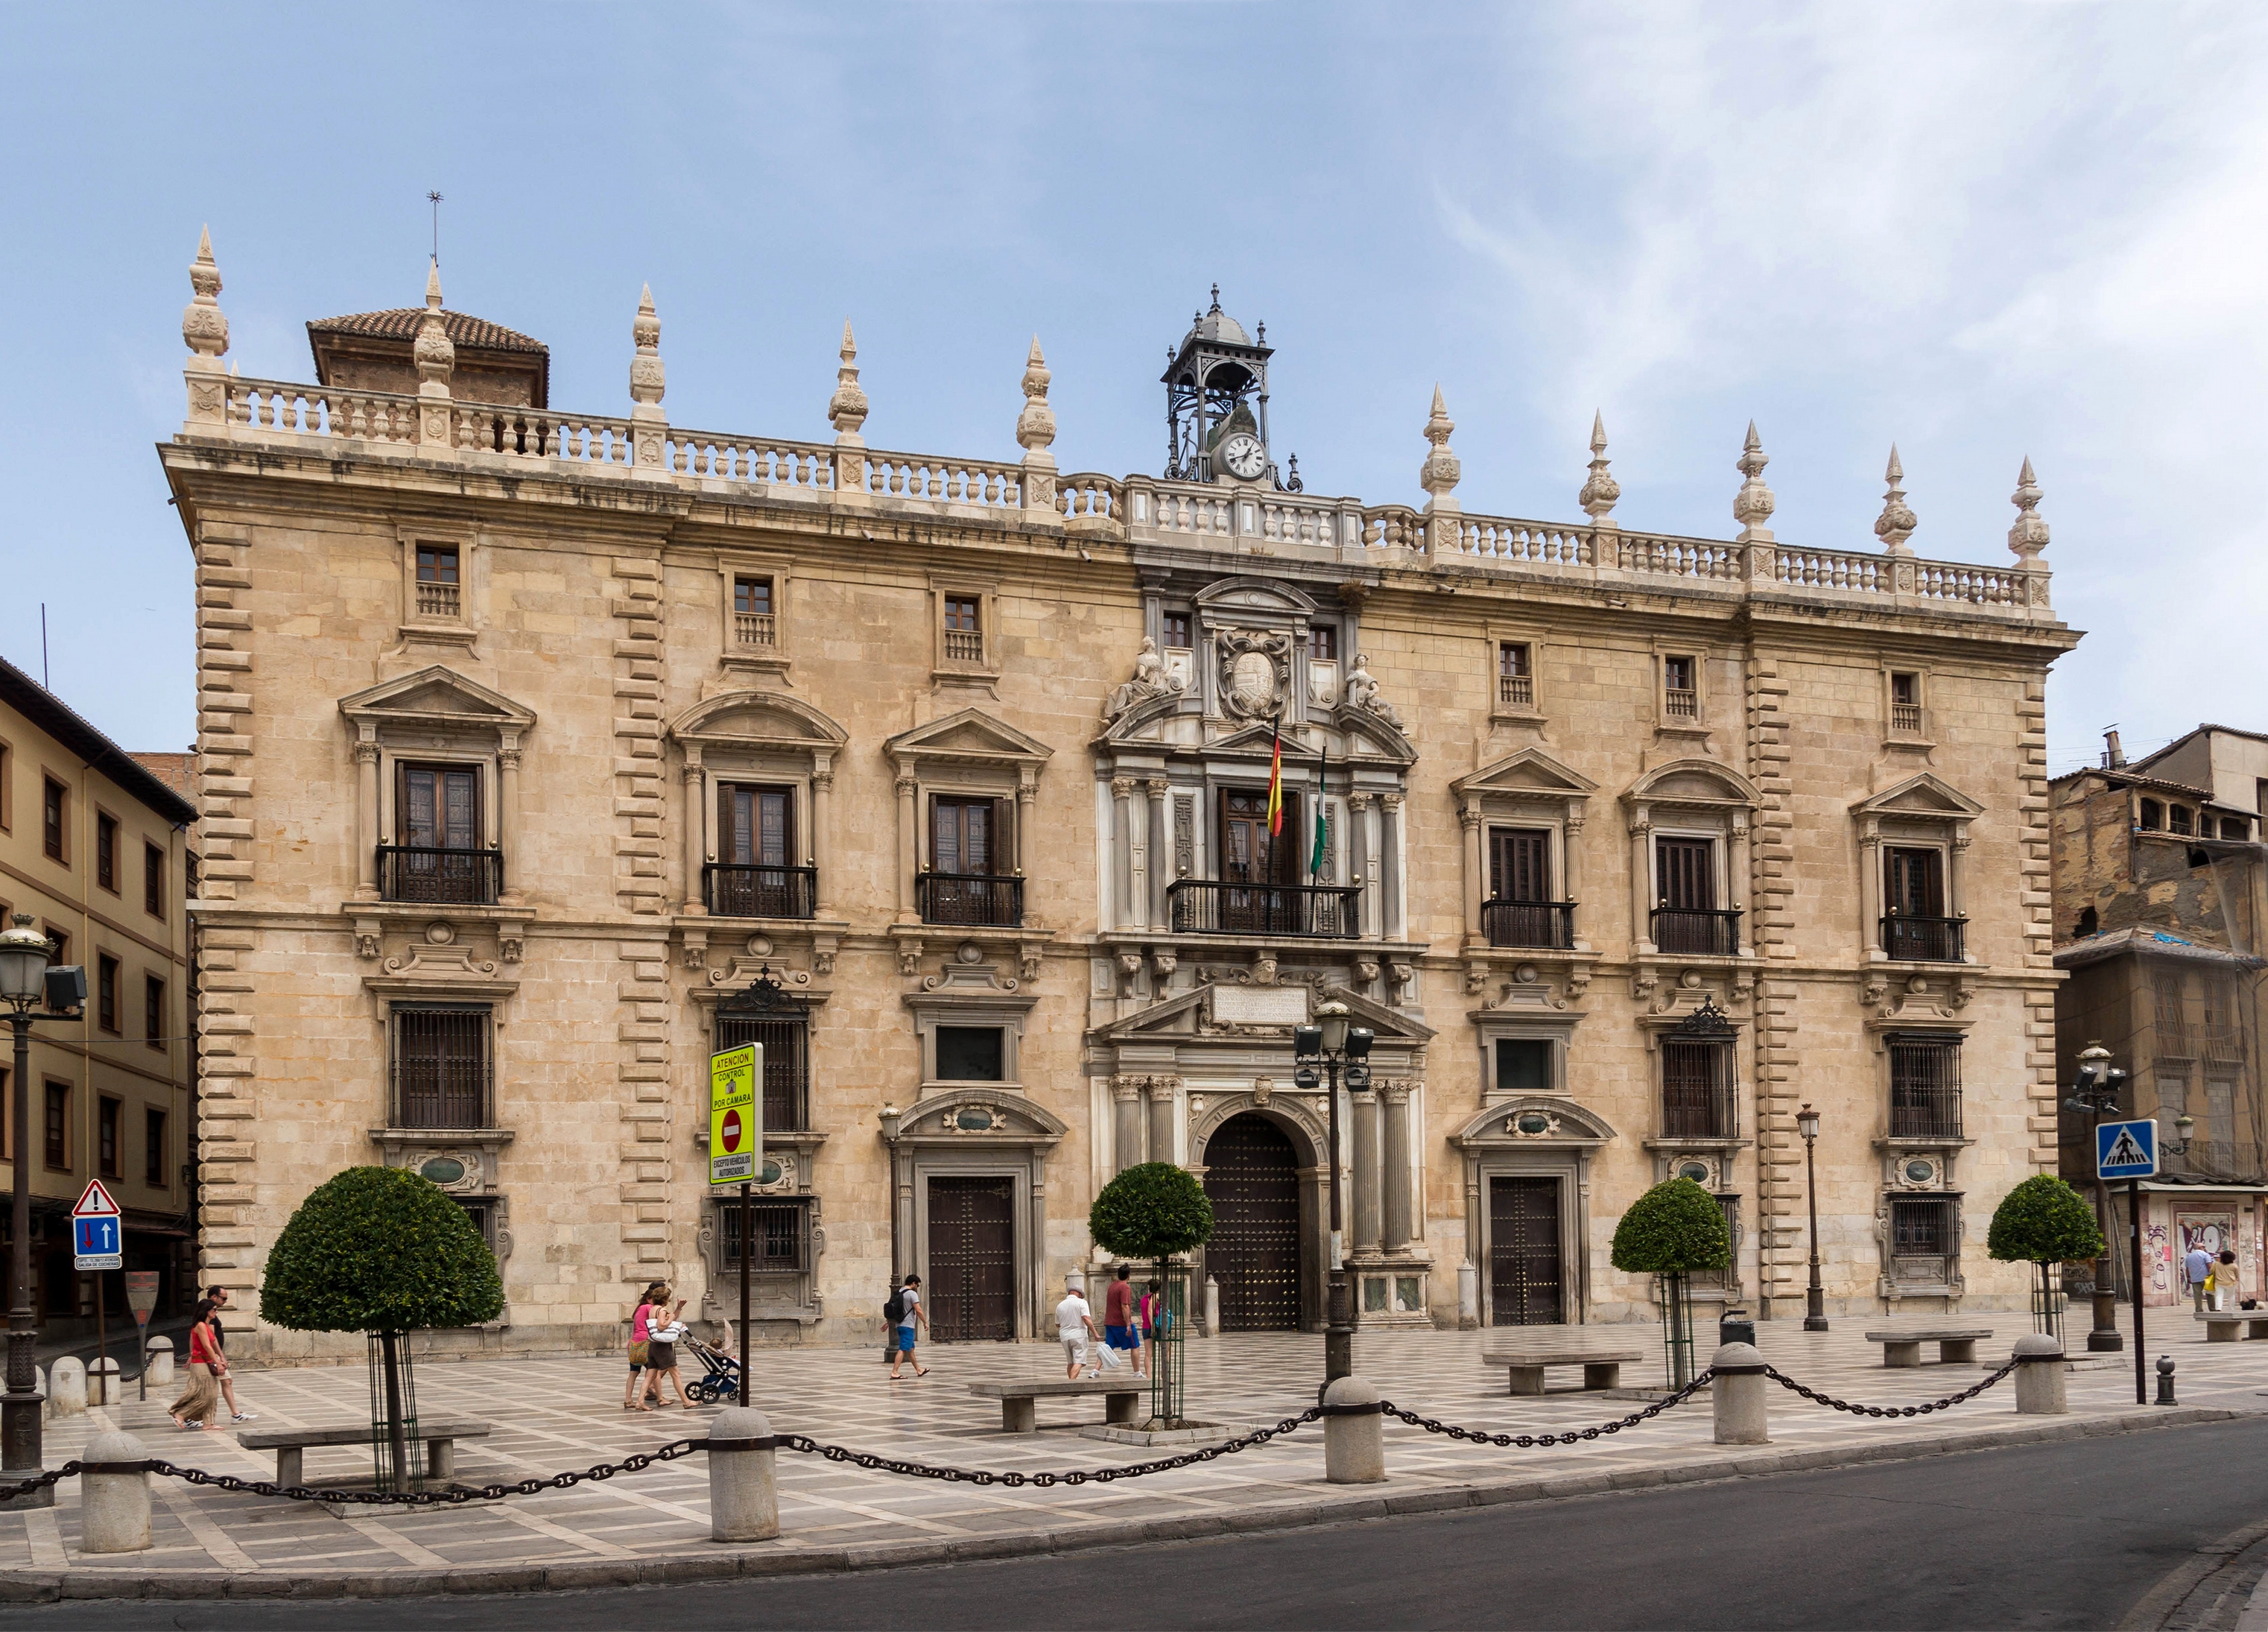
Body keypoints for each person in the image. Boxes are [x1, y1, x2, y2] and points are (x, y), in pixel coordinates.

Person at [203, 1286, 258, 1423]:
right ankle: (184, 1415)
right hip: (211, 1357)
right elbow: (210, 1338)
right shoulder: (208, 1313)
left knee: (226, 1381)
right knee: (204, 1388)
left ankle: (235, 1414)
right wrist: (219, 1358)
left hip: (214, 1356)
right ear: (214, 1297)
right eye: (224, 1298)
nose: (226, 1301)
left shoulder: (210, 1312)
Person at [168, 1301, 223, 1431]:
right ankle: (181, 1413)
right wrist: (218, 1362)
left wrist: (222, 1357)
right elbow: (206, 1346)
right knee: (205, 1394)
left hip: (207, 1362)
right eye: (214, 1309)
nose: (216, 1312)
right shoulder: (200, 1326)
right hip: (200, 1364)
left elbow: (214, 1343)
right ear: (206, 1310)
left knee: (213, 1393)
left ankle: (209, 1423)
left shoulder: (208, 1326)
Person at [643, 1287, 695, 1408]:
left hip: (654, 1345)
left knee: (650, 1375)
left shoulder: (653, 1309)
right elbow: (662, 1326)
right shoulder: (661, 1310)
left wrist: (678, 1308)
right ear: (665, 1299)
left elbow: (669, 1319)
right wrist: (671, 1318)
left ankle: (640, 1401)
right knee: (676, 1374)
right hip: (662, 1346)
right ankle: (686, 1402)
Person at [1055, 1277, 1100, 1381]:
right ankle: (1071, 1383)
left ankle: (1071, 1383)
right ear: (1079, 1294)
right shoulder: (1081, 1303)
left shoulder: (1060, 1305)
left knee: (1070, 1362)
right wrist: (1095, 1333)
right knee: (1079, 1361)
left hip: (1065, 1336)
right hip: (1079, 1335)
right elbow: (1085, 1318)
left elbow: (1057, 1324)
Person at [624, 1285, 659, 1411]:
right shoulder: (649, 1308)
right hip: (645, 1343)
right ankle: (648, 1398)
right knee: (652, 1372)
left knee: (633, 1373)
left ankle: (628, 1400)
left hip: (634, 1343)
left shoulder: (639, 1308)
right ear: (649, 1298)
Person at [887, 1274, 929, 1379]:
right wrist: (925, 1322)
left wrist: (888, 1322)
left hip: (900, 1324)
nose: (917, 1288)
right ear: (913, 1283)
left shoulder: (899, 1292)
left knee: (910, 1349)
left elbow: (893, 1309)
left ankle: (919, 1370)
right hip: (908, 1325)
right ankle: (894, 1372)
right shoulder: (911, 1294)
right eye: (917, 1285)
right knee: (903, 1348)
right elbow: (918, 1310)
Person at [1103, 1265, 1141, 1378]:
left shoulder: (1112, 1286)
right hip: (1121, 1322)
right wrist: (1128, 1324)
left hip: (1110, 1321)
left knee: (1108, 1348)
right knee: (1135, 1346)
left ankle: (1095, 1371)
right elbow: (1125, 1306)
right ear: (1129, 1275)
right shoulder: (1125, 1287)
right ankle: (1137, 1372)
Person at [2187, 1242, 2214, 1314]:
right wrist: (2212, 1274)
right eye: (2204, 1246)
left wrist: (2188, 1276)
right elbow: (2209, 1265)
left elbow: (2187, 1268)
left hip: (2194, 1278)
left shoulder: (2189, 1256)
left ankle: (2199, 1309)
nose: (2205, 1248)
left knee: (2197, 1294)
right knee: (2210, 1293)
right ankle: (2212, 1308)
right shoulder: (2205, 1255)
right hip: (2206, 1277)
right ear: (2200, 1248)